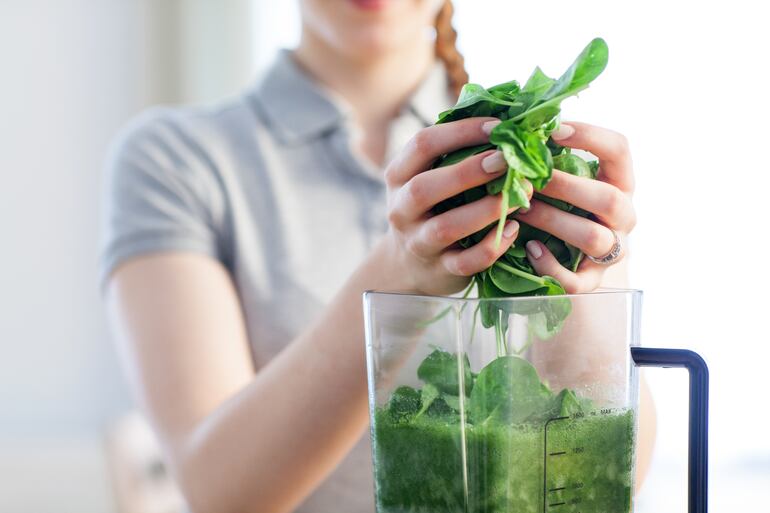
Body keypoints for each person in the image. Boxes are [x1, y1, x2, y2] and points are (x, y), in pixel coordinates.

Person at [102, 1, 652, 512]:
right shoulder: (175, 160)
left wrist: (592, 285)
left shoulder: (539, 151)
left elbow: (608, 482)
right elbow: (220, 491)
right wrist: (399, 272)